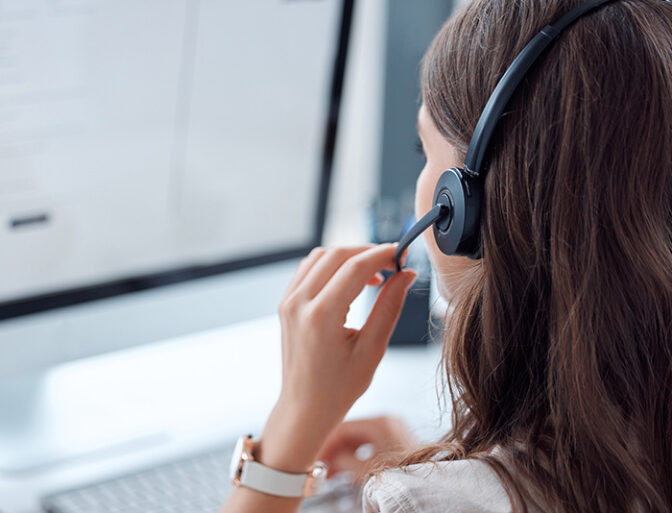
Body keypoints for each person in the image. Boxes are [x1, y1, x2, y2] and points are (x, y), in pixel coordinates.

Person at [221, 0, 672, 511]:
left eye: (424, 152)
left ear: (459, 207)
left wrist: (288, 434)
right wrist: (436, 462)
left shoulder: (418, 503)